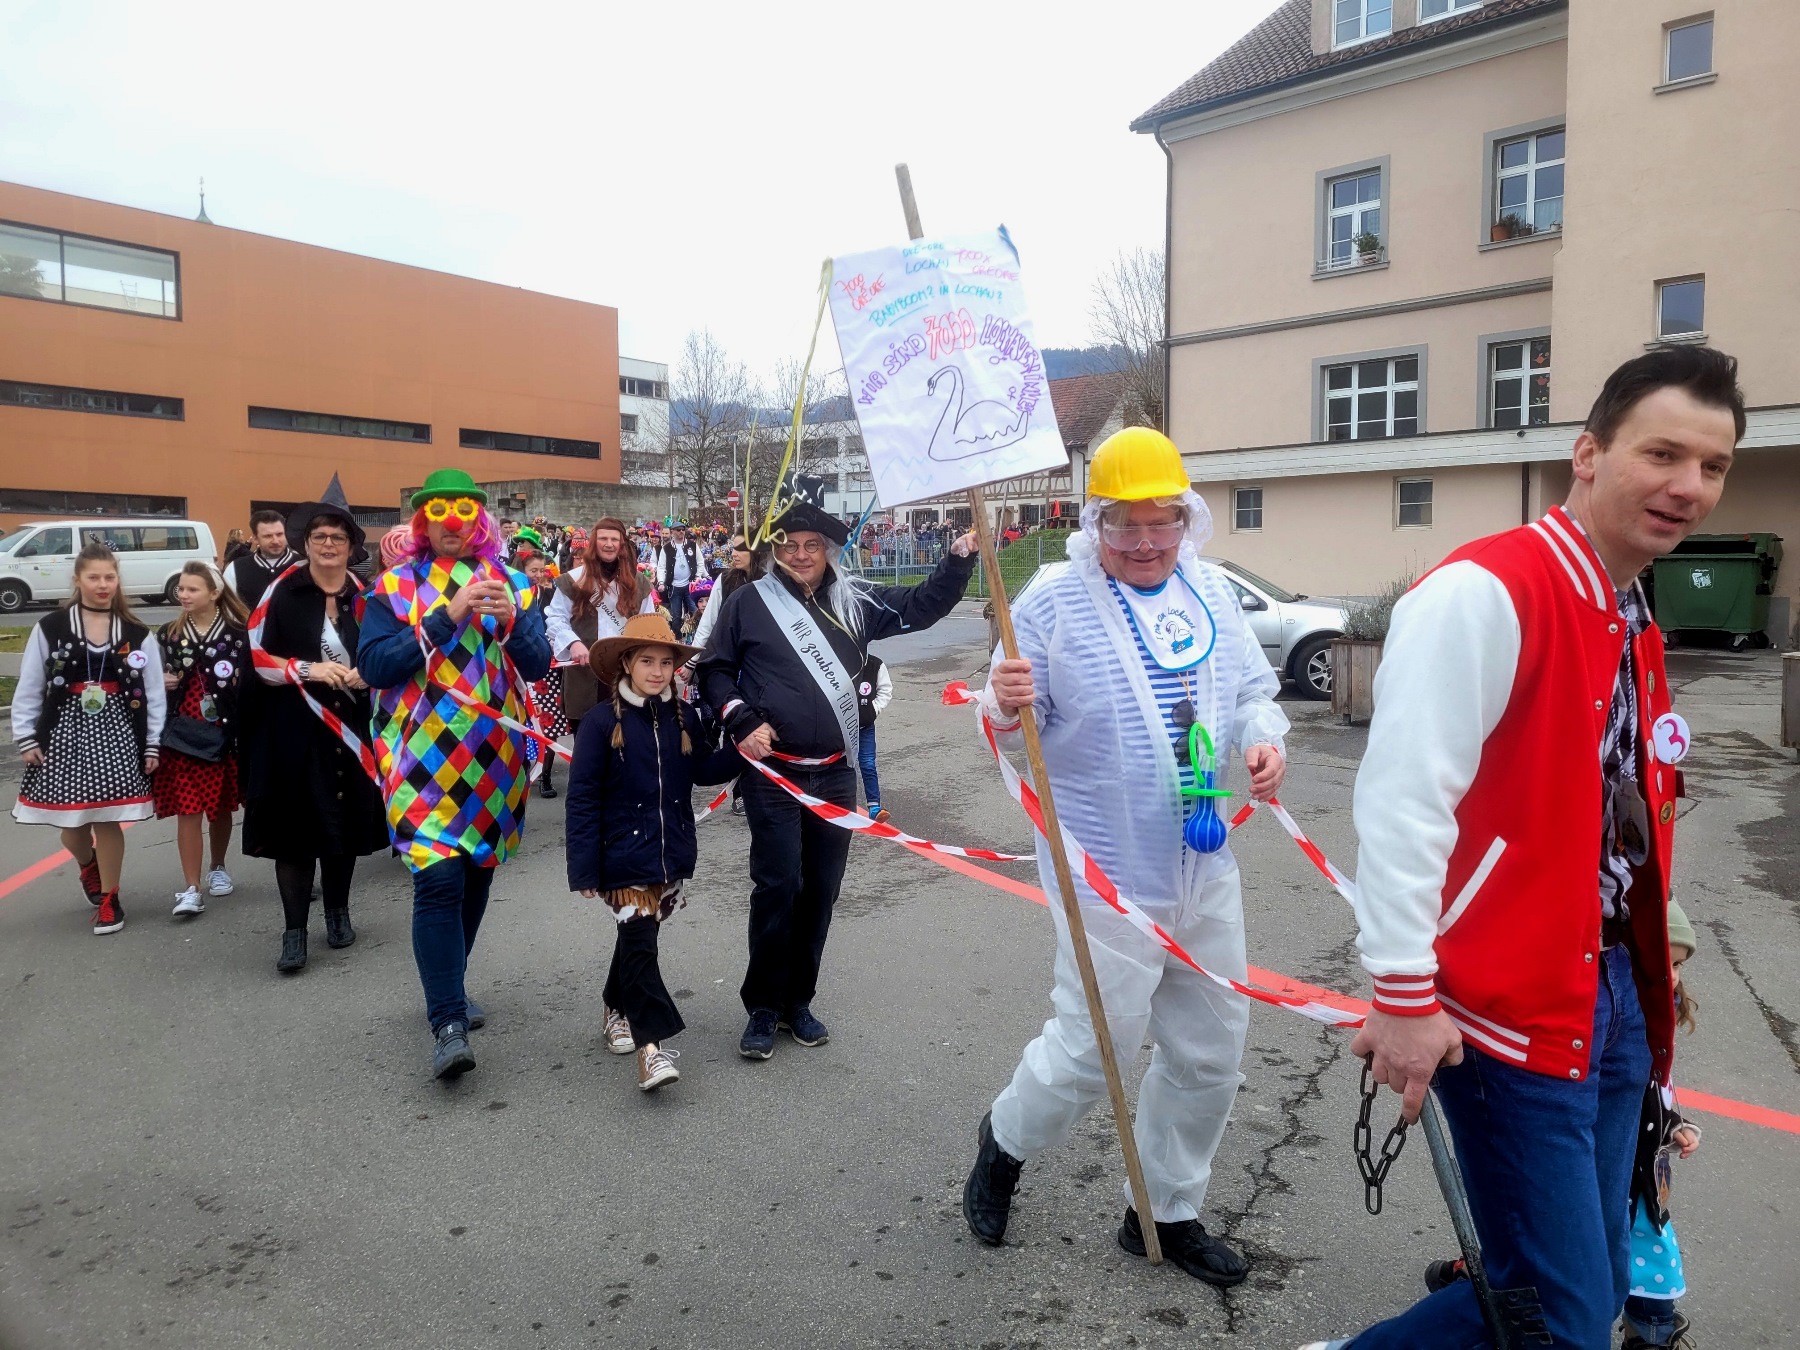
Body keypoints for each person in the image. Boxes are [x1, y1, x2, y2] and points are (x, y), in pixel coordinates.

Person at [1299, 346, 1744, 1350]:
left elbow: (1616, 808)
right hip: (1507, 1006)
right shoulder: (1486, 592)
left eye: (1712, 466)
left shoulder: (1630, 613)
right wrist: (1403, 994)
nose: (1688, 486)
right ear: (1588, 454)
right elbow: (1404, 803)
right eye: (1663, 453)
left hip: (1611, 988)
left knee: (1581, 1280)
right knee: (1566, 1313)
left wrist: (1657, 941)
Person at [961, 428, 1288, 1285]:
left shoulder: (1208, 591)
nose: (1145, 543)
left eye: (1161, 522)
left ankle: (1165, 1210)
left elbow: (1250, 694)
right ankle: (1005, 1140)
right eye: (1125, 525)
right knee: (1091, 1051)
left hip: (1203, 865)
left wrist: (1264, 741)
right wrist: (1002, 705)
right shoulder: (1051, 603)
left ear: (1187, 518)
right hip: (1104, 875)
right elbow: (1010, 732)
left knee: (1211, 1051)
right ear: (1095, 523)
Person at [697, 475, 980, 1059]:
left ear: (829, 550)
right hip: (774, 774)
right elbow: (714, 671)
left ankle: (797, 1002)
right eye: (789, 545)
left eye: (812, 545)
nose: (801, 555)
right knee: (778, 887)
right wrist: (741, 718)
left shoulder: (856, 600)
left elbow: (922, 607)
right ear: (775, 550)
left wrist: (957, 561)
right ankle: (762, 1007)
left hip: (833, 772)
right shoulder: (748, 603)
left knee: (821, 891)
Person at [356, 468, 551, 1082]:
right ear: (423, 522)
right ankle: (447, 1022)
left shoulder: (514, 583)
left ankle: (451, 985)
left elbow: (539, 664)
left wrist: (512, 624)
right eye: (439, 513)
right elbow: (375, 667)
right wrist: (446, 616)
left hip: (494, 759)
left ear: (479, 522)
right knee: (438, 879)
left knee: (475, 873)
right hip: (418, 757)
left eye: (464, 512)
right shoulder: (393, 586)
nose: (452, 524)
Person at [566, 614, 742, 1091]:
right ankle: (652, 1050)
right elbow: (582, 798)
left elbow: (703, 771)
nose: (658, 671)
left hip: (670, 852)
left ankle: (614, 1006)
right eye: (647, 661)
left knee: (637, 940)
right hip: (620, 856)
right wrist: (583, 867)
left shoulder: (683, 717)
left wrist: (744, 749)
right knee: (641, 944)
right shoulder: (600, 722)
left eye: (666, 662)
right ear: (626, 663)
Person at [242, 501, 390, 974]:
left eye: (338, 538)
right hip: (294, 727)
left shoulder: (366, 596)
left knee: (342, 823)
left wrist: (369, 672)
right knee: (296, 831)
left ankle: (338, 913)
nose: (329, 545)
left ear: (350, 547)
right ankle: (294, 932)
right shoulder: (281, 592)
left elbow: (387, 652)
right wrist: (307, 669)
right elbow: (256, 656)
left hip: (352, 727)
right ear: (305, 544)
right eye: (320, 537)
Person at [11, 543, 167, 934]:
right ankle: (87, 863)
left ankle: (111, 898)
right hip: (64, 731)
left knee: (108, 817)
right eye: (94, 577)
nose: (102, 584)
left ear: (118, 580)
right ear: (77, 579)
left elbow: (154, 694)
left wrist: (152, 742)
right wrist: (26, 735)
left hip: (117, 733)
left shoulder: (135, 632)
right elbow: (30, 683)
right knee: (72, 822)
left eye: (109, 577)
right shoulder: (52, 627)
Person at [1621, 899, 1702, 1350]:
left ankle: (1650, 1338)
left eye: (1678, 965)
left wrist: (1673, 1124)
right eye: (1660, 961)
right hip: (1615, 1172)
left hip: (1644, 1179)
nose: (1671, 975)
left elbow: (1655, 1092)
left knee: (1653, 1269)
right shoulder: (1617, 1021)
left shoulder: (1658, 1012)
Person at [155, 562, 250, 917]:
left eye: (192, 589)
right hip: (182, 735)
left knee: (220, 806)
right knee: (188, 808)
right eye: (181, 588)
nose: (184, 595)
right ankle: (191, 887)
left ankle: (218, 866)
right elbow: (145, 678)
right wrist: (158, 681)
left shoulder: (239, 633)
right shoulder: (168, 634)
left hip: (224, 733)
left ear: (214, 592)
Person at [546, 518, 656, 757]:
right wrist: (573, 642)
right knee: (588, 752)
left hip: (627, 676)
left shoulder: (639, 583)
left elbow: (649, 625)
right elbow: (555, 618)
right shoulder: (573, 580)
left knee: (628, 750)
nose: (608, 544)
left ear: (622, 544)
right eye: (603, 538)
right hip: (585, 676)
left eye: (614, 539)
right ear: (594, 543)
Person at [518, 552, 569, 798]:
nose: (538, 575)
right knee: (521, 722)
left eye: (542, 570)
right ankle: (521, 771)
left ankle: (545, 776)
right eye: (533, 570)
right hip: (521, 666)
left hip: (548, 666)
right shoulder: (514, 595)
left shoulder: (548, 595)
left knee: (550, 722)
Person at [223, 509, 300, 611]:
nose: (275, 541)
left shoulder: (304, 565)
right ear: (255, 538)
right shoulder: (235, 569)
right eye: (268, 536)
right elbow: (229, 612)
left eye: (279, 534)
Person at [854, 653, 893, 822]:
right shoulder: (837, 659)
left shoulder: (875, 664)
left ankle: (874, 807)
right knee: (841, 765)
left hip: (865, 726)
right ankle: (838, 803)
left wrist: (873, 710)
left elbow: (885, 690)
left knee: (868, 763)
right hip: (838, 728)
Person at [657, 523, 700, 632]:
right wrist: (661, 582)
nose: (681, 532)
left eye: (683, 529)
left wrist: (697, 578)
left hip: (690, 585)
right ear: (672, 532)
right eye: (678, 530)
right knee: (676, 615)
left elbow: (700, 563)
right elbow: (661, 567)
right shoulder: (666, 548)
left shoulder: (692, 545)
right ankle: (677, 637)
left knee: (695, 610)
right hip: (674, 586)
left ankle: (697, 634)